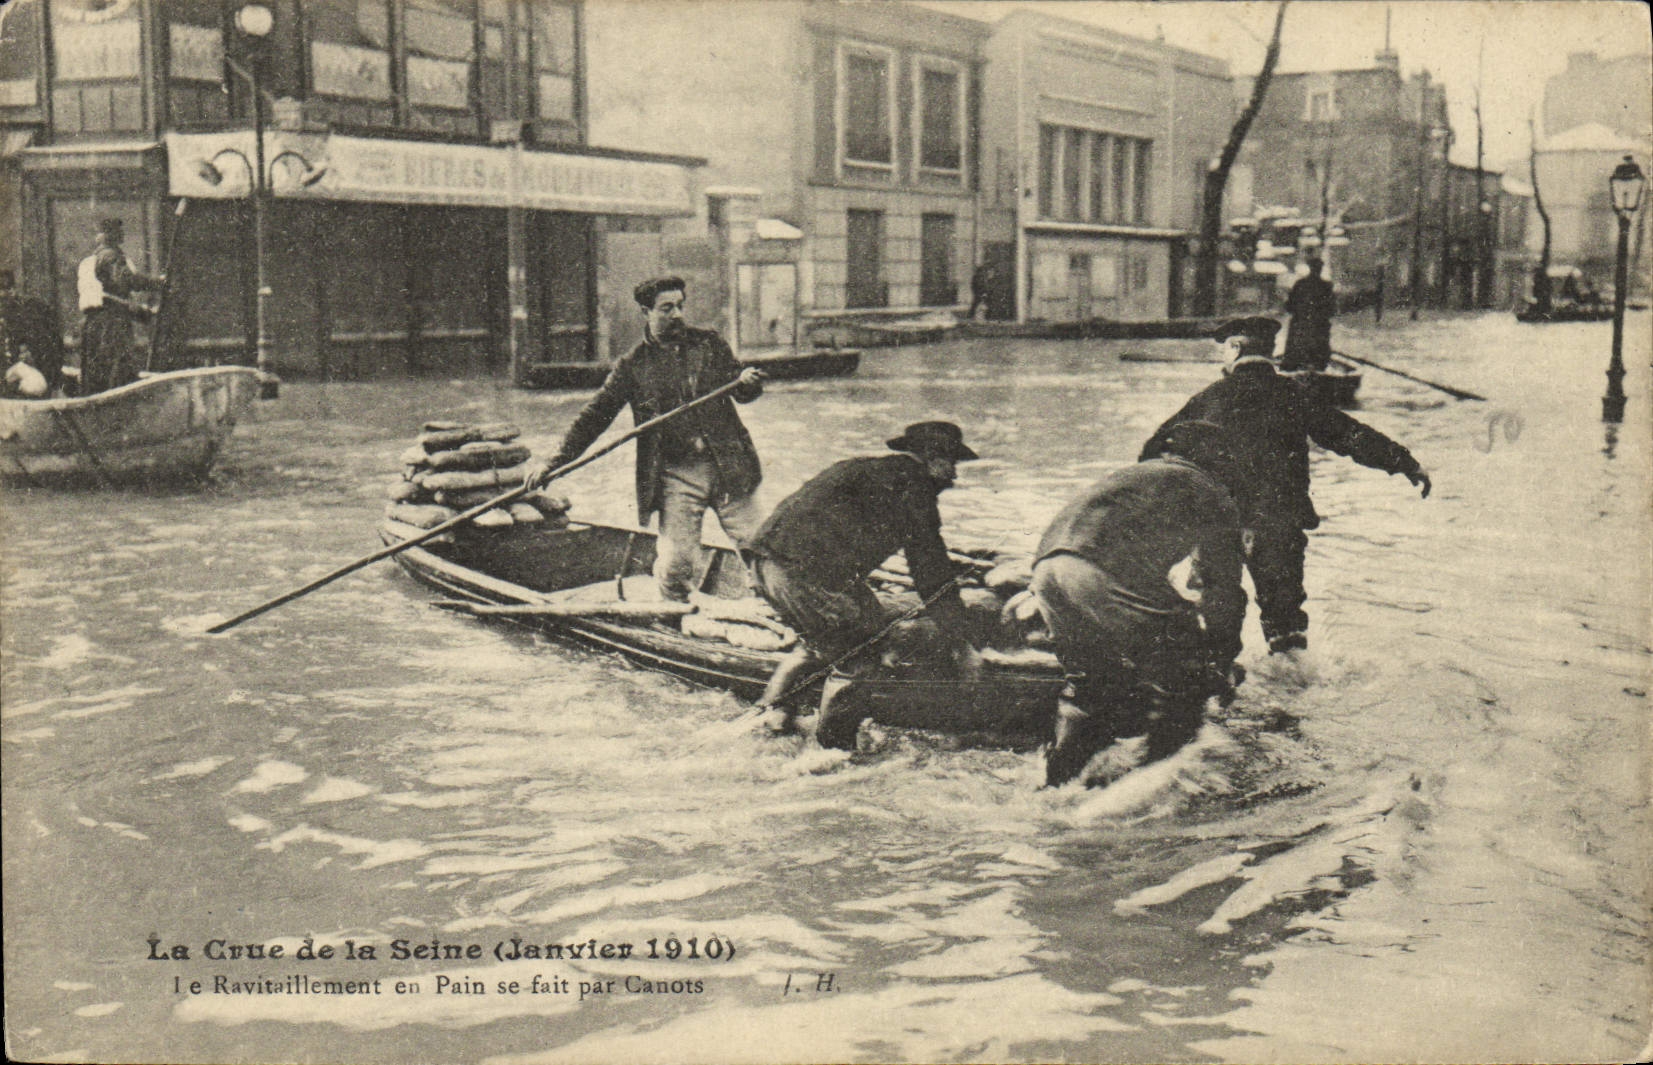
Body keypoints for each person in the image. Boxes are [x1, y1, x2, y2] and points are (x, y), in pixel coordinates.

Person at [1140, 316, 1431, 655]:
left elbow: (1155, 452)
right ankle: (1293, 689)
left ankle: (1219, 682)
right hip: (1279, 522)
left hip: (1221, 523)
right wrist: (1407, 464)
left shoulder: (1207, 399)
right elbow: (1351, 436)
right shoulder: (1294, 395)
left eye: (1224, 349)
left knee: (1217, 616)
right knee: (1286, 627)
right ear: (1270, 352)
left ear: (1235, 349)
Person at [1033, 420, 1250, 787]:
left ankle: (1059, 785)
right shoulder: (1209, 489)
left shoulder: (1137, 474)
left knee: (1089, 686)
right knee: (1188, 677)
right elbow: (1223, 590)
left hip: (1048, 569)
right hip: (1099, 572)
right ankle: (1152, 785)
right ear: (1218, 459)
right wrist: (1220, 658)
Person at [746, 421, 986, 747]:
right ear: (931, 457)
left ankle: (771, 714)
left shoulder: (859, 468)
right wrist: (963, 643)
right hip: (806, 577)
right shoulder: (914, 489)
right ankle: (832, 749)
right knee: (860, 659)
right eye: (951, 464)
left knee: (824, 638)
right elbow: (930, 570)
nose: (954, 476)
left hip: (764, 562)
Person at [526, 276, 765, 602]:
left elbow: (742, 391)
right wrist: (553, 463)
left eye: (680, 306)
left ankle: (775, 610)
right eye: (667, 308)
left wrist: (748, 382)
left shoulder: (709, 344)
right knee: (677, 563)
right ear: (645, 312)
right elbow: (594, 418)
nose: (677, 314)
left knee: (760, 547)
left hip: (729, 467)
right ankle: (673, 619)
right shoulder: (632, 366)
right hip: (677, 476)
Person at [78, 218, 163, 394]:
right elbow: (125, 282)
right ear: (111, 235)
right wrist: (158, 283)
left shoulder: (89, 262)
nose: (122, 235)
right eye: (119, 232)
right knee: (117, 372)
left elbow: (112, 298)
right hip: (111, 326)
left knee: (97, 374)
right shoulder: (111, 256)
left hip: (94, 325)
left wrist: (144, 313)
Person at [1, 270, 64, 397]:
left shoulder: (32, 311)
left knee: (35, 384)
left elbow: (52, 347)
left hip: (37, 376)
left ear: (12, 291)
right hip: (14, 377)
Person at [1281, 254, 1336, 373]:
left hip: (1300, 328)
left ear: (1310, 268)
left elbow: (1289, 307)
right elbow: (1332, 310)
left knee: (1293, 357)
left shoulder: (1300, 284)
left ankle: (1291, 368)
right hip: (1318, 329)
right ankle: (1319, 368)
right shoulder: (1326, 286)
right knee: (1319, 358)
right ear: (1320, 269)